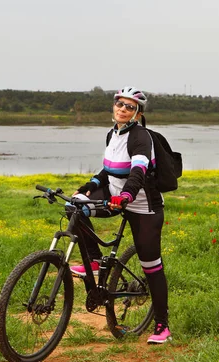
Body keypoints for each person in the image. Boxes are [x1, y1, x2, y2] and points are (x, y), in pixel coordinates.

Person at [70, 86, 171, 344]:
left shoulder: (140, 137)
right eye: (120, 104)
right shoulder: (112, 134)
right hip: (115, 197)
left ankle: (162, 325)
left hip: (142, 205)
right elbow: (107, 171)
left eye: (129, 107)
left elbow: (138, 171)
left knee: (151, 265)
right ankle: (93, 260)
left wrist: (126, 197)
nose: (123, 109)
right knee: (75, 207)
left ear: (137, 113)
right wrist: (89, 186)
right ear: (113, 106)